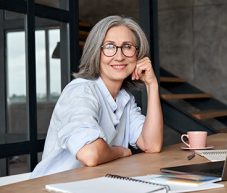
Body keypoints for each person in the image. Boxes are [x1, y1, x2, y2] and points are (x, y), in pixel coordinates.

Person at [31, 15, 163, 178]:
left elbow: (152, 144)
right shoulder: (81, 91)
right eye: (109, 46)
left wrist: (152, 85)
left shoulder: (124, 99)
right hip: (54, 187)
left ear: (137, 54)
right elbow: (90, 154)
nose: (120, 56)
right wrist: (120, 152)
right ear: (96, 52)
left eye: (127, 46)